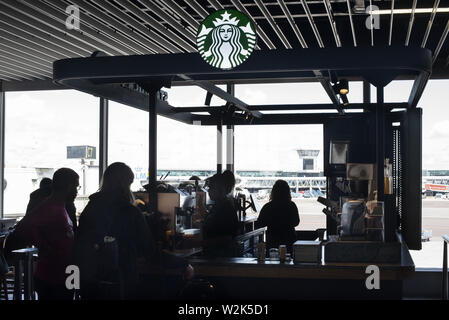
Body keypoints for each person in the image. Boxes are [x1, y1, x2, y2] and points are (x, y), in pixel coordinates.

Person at [74, 162, 194, 300]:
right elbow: (150, 252)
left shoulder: (90, 208)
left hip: (89, 281)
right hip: (120, 283)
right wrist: (184, 264)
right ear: (124, 184)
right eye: (129, 184)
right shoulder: (130, 212)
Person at [29, 168, 80, 300]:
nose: (77, 191)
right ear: (68, 186)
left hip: (60, 273)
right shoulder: (52, 209)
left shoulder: (60, 206)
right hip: (55, 276)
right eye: (76, 186)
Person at [255, 180, 300, 252]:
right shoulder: (291, 205)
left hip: (273, 240)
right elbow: (296, 222)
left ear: (274, 191)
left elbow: (260, 223)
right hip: (289, 239)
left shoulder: (268, 206)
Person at [201, 173, 239, 257]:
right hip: (217, 255)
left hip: (221, 256)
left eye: (211, 188)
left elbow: (227, 238)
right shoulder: (220, 204)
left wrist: (199, 243)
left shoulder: (225, 207)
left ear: (220, 189)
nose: (209, 191)